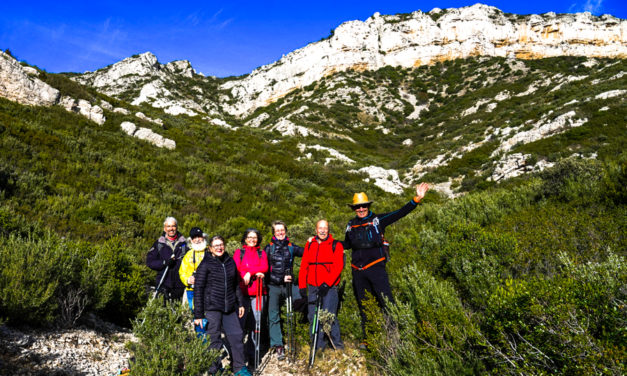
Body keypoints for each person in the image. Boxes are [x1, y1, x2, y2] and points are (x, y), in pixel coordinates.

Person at [344, 183, 429, 348]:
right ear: (354, 208)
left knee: (386, 302)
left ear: (368, 206)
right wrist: (324, 242)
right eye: (357, 207)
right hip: (358, 272)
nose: (361, 209)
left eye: (363, 206)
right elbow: (347, 244)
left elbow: (399, 213)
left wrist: (416, 200)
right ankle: (368, 338)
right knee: (364, 304)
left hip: (376, 268)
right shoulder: (350, 225)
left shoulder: (378, 220)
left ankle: (395, 335)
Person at [193, 236, 251, 376]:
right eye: (216, 245)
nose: (219, 247)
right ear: (210, 249)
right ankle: (214, 369)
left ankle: (239, 368)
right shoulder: (205, 263)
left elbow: (235, 284)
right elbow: (198, 288)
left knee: (237, 336)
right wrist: (198, 314)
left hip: (230, 307)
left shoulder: (230, 262)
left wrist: (240, 303)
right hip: (212, 307)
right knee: (214, 339)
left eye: (221, 245)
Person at [299, 220, 344, 351]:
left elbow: (338, 266)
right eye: (320, 228)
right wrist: (302, 285)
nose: (322, 231)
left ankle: (338, 347)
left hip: (329, 288)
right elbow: (304, 266)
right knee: (313, 316)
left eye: (325, 228)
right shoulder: (310, 244)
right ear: (316, 229)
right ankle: (318, 347)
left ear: (328, 230)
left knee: (329, 316)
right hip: (313, 286)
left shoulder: (336, 245)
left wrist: (327, 283)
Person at [264, 220, 304, 360]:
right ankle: (278, 345)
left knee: (301, 303)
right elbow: (263, 267)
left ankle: (300, 336)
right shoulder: (268, 248)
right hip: (273, 286)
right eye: (277, 230)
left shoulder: (291, 247)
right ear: (273, 233)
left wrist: (313, 242)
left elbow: (307, 253)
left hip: (290, 285)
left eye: (282, 230)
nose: (280, 233)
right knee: (273, 315)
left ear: (285, 231)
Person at [233, 228, 268, 369]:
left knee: (256, 325)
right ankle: (239, 357)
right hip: (242, 294)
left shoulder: (262, 253)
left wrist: (249, 272)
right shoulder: (239, 252)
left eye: (255, 237)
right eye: (249, 237)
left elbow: (264, 267)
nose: (252, 239)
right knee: (239, 326)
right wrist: (253, 272)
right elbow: (236, 268)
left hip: (258, 293)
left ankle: (253, 354)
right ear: (245, 239)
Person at [146, 216, 187, 302]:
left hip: (179, 285)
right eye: (168, 226)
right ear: (164, 228)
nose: (171, 229)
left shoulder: (184, 244)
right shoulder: (159, 244)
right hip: (163, 283)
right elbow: (150, 262)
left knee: (176, 311)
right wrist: (164, 263)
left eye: (173, 226)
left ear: (177, 227)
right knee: (162, 310)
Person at [179, 227, 208, 336]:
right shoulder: (188, 255)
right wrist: (187, 279)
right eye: (194, 238)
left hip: (208, 291)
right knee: (196, 316)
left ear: (203, 237)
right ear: (191, 240)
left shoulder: (210, 252)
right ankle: (200, 343)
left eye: (199, 237)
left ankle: (209, 343)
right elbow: (182, 271)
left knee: (208, 317)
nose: (197, 240)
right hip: (192, 291)